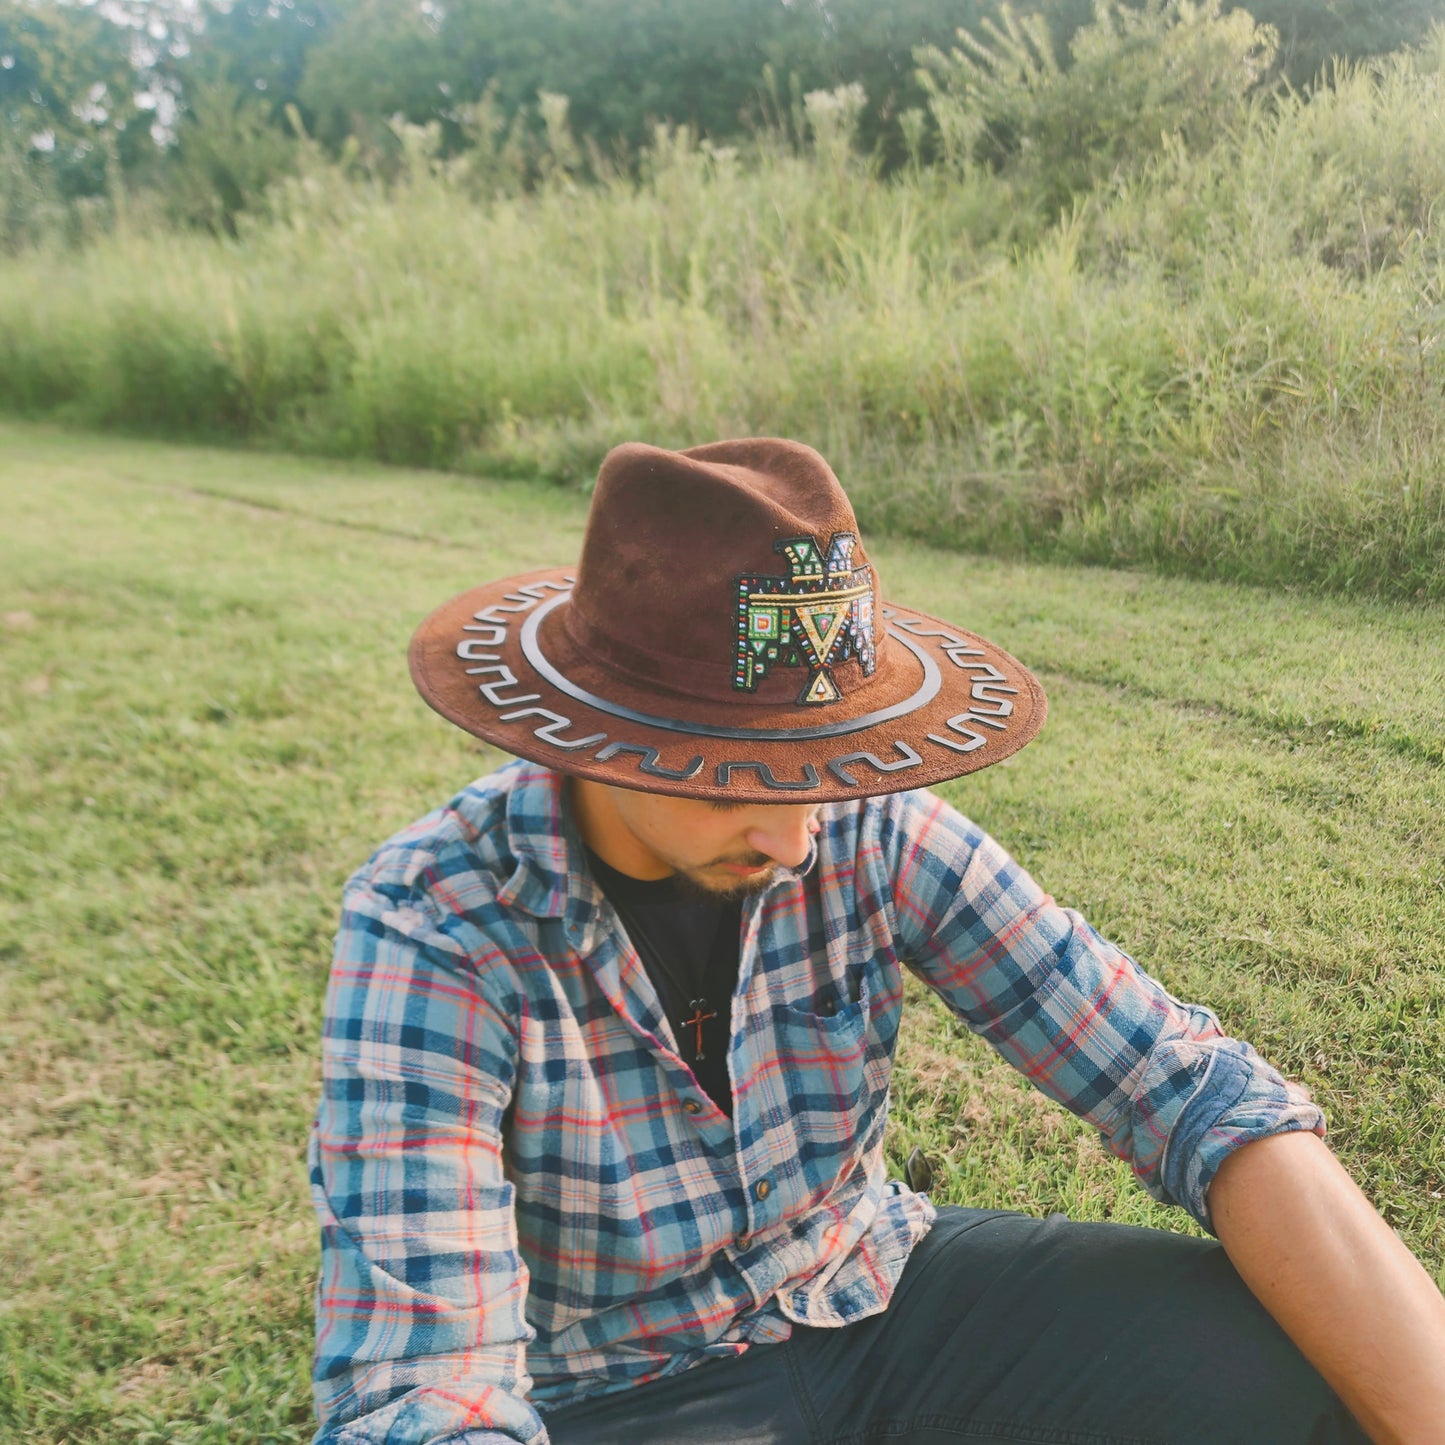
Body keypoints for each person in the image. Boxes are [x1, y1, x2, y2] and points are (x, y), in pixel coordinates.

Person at [309, 439, 1445, 1445]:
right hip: (618, 1388)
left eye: (818, 766)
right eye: (729, 775)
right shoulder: (437, 925)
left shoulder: (864, 820)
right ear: (604, 735)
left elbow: (1178, 1087)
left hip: (868, 1287)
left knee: (1304, 1359)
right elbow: (428, 1387)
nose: (797, 835)